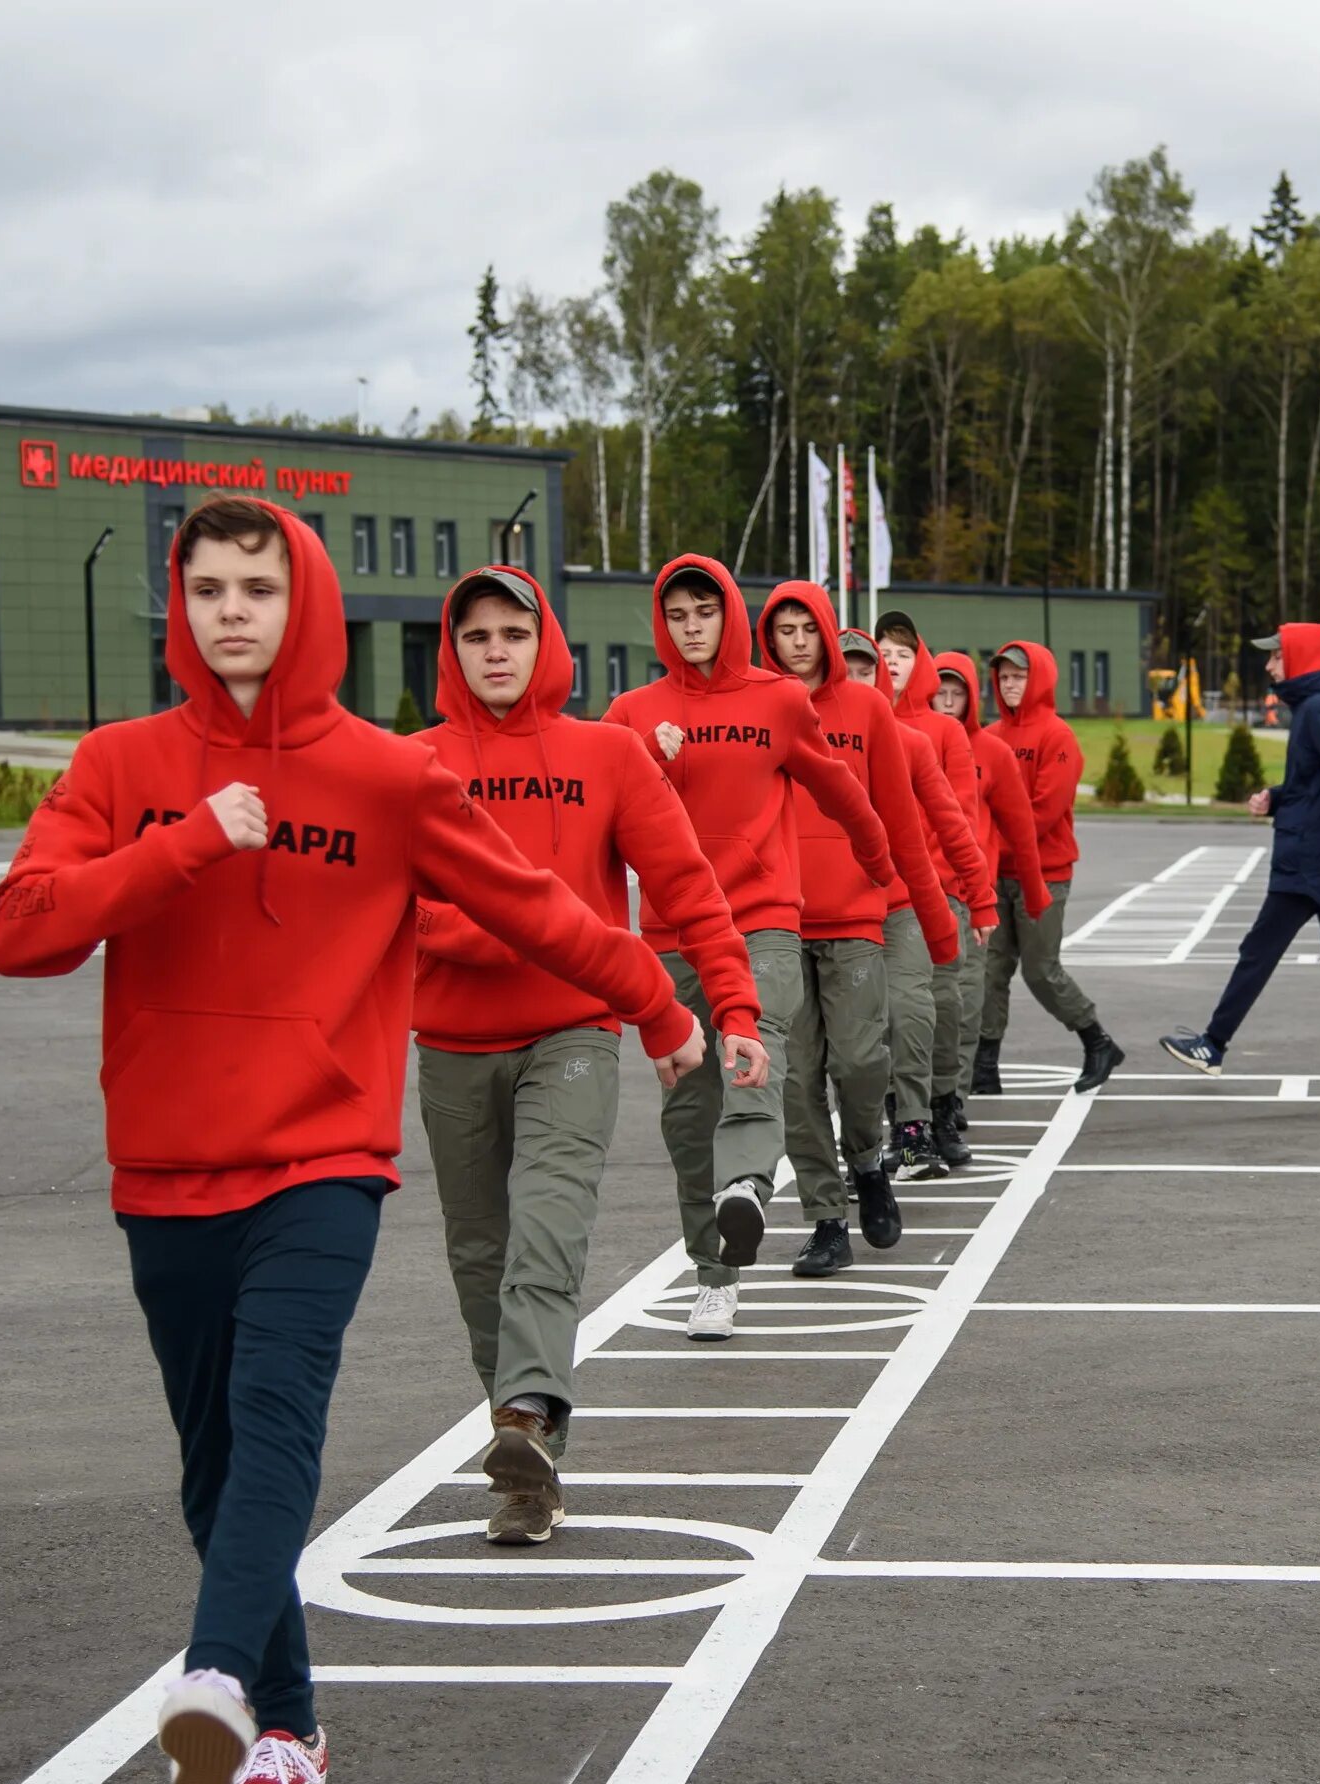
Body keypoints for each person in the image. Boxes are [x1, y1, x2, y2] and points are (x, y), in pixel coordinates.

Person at [0, 497, 699, 1784]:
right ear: (180, 607)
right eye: (205, 589)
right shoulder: (121, 760)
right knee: (212, 1461)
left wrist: (659, 1007)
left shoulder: (384, 774)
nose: (232, 609)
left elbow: (539, 904)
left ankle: (211, 1676)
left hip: (322, 1154)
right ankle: (292, 1725)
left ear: (301, 597)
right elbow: (21, 930)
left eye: (257, 584)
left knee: (274, 1413)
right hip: (164, 1160)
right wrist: (190, 838)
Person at [410, 565, 766, 1547]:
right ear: (454, 649)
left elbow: (688, 888)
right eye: (475, 635)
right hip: (448, 1040)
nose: (494, 652)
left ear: (543, 642)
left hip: (574, 1029)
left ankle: (525, 1410)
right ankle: (526, 1461)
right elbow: (392, 907)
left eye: (512, 633)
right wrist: (508, 926)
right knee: (477, 1249)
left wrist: (731, 1002)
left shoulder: (606, 755)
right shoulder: (417, 764)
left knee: (549, 1223)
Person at [606, 558, 895, 1340]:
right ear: (662, 624)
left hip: (764, 917)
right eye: (677, 615)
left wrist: (881, 867)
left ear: (728, 613)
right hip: (670, 934)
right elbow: (602, 824)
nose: (691, 625)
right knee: (687, 1113)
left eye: (704, 610)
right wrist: (652, 759)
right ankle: (715, 1274)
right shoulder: (632, 713)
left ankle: (749, 1178)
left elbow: (840, 787)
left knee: (756, 1038)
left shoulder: (777, 699)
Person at [754, 587, 958, 1277]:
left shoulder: (868, 709)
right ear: (768, 638)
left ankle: (867, 1158)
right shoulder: (760, 705)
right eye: (782, 631)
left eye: (806, 628)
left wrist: (937, 920)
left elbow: (900, 820)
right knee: (797, 1077)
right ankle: (825, 1216)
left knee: (862, 1060)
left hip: (855, 915)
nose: (797, 642)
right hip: (775, 917)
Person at [1161, 621, 1320, 1086]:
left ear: (1300, 659)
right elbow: (1314, 784)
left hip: (1309, 861)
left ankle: (1212, 1045)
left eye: (1276, 656)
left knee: (1259, 951)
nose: (1268, 664)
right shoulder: (1314, 709)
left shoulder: (1317, 711)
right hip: (1317, 856)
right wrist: (1274, 798)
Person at [876, 614, 1028, 1171]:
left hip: (941, 895)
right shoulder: (861, 723)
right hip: (879, 901)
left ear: (920, 661)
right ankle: (904, 1116)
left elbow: (959, 819)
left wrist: (970, 894)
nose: (891, 661)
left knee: (943, 1011)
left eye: (902, 652)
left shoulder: (942, 733)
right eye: (882, 651)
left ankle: (942, 1109)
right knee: (897, 1015)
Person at [977, 640, 1127, 1094]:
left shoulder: (1057, 736)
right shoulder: (992, 735)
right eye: (1004, 677)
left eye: (1019, 676)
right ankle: (984, 1066)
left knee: (1041, 970)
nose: (1011, 684)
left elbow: (1043, 812)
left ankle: (1097, 1040)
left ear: (1038, 678)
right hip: (996, 874)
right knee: (990, 971)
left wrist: (991, 838)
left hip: (1043, 872)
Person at [931, 649, 1056, 1105]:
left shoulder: (993, 753)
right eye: (939, 692)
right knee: (915, 1008)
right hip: (918, 893)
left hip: (968, 892)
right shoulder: (910, 737)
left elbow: (1022, 829)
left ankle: (953, 1101)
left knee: (965, 1001)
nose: (946, 702)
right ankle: (913, 1104)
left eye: (956, 693)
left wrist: (1035, 889)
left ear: (971, 697)